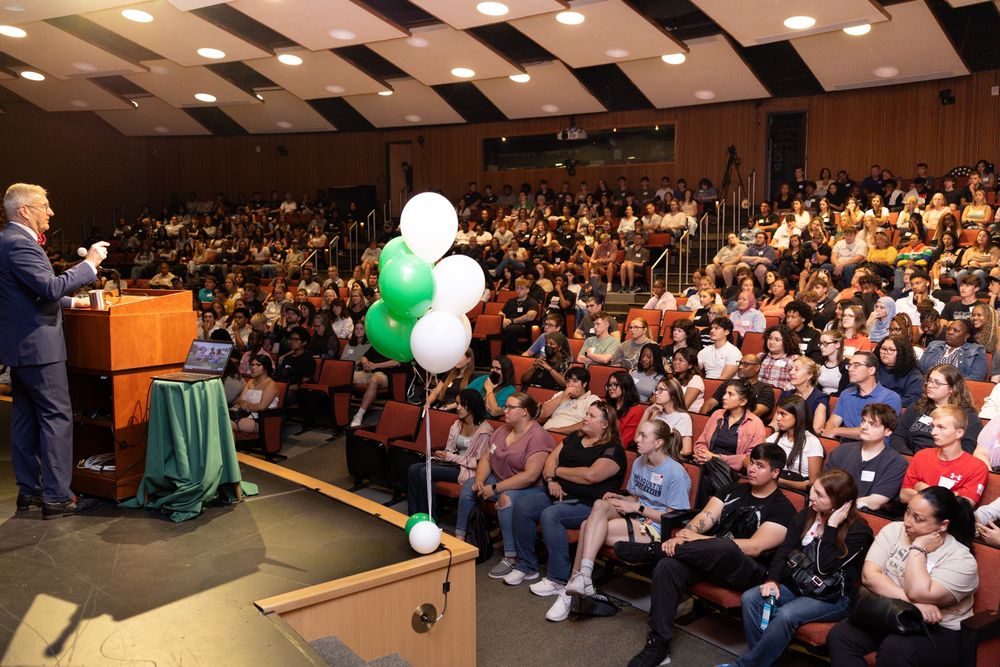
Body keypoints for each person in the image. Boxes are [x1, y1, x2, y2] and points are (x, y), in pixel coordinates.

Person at [626, 444, 795, 667]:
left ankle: (655, 550)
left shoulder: (783, 509)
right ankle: (658, 643)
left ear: (775, 473)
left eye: (760, 466)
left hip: (747, 571)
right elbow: (706, 517)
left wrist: (697, 540)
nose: (752, 469)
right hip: (709, 558)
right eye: (752, 463)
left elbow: (754, 547)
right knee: (668, 566)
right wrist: (684, 535)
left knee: (726, 546)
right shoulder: (733, 489)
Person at [0, 184, 110, 517]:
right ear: (24, 211)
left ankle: (30, 492)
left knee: (25, 419)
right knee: (56, 418)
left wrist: (71, 302)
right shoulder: (20, 243)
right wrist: (89, 265)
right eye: (44, 206)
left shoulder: (7, 240)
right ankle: (58, 497)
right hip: (39, 348)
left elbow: (27, 293)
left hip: (21, 348)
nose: (51, 212)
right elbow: (47, 287)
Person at [827, 486, 979, 667]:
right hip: (894, 612)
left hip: (940, 629)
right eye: (908, 512)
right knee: (841, 636)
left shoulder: (961, 559)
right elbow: (870, 576)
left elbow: (918, 593)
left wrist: (918, 548)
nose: (907, 522)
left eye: (918, 519)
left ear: (943, 525)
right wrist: (912, 605)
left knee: (895, 650)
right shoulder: (894, 530)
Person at [735, 469, 873, 667]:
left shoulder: (859, 532)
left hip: (832, 596)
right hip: (798, 584)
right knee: (751, 598)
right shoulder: (807, 516)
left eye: (819, 495)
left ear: (839, 502)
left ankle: (746, 665)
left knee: (786, 615)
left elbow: (824, 567)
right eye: (813, 490)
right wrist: (773, 580)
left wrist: (831, 526)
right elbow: (784, 551)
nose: (812, 497)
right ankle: (763, 663)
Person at [508, 402, 627, 620]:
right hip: (558, 492)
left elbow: (591, 476)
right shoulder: (574, 437)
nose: (585, 418)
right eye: (586, 413)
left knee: (551, 515)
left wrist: (558, 471)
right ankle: (527, 566)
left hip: (589, 503)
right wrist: (551, 479)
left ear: (604, 424)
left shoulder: (613, 449)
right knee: (524, 505)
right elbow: (550, 459)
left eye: (592, 416)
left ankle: (558, 578)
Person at [561, 420, 691, 606]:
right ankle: (583, 579)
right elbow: (635, 498)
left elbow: (671, 519)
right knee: (600, 504)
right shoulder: (639, 462)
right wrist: (621, 499)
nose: (637, 439)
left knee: (586, 526)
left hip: (655, 529)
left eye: (643, 436)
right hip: (635, 517)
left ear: (658, 443)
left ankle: (575, 583)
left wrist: (637, 508)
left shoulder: (676, 472)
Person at [457, 393, 555, 579]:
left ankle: (511, 556)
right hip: (501, 478)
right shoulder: (503, 430)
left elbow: (530, 476)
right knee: (470, 485)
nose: (505, 410)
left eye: (510, 407)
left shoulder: (538, 437)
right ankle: (460, 539)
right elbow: (487, 457)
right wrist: (480, 479)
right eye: (506, 406)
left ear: (524, 412)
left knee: (506, 499)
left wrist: (494, 488)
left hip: (530, 489)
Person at [406, 388, 494, 518]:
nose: (457, 408)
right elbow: (450, 450)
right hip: (453, 464)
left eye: (462, 405)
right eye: (457, 404)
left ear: (472, 406)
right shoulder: (457, 424)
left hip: (468, 470)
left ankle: (429, 518)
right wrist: (443, 454)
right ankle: (414, 515)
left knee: (425, 472)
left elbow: (478, 462)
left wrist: (451, 457)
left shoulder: (485, 431)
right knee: (413, 469)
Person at [899, 405, 989, 505]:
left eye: (941, 427)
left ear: (959, 433)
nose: (933, 432)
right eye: (933, 426)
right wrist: (951, 495)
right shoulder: (921, 456)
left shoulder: (977, 467)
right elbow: (904, 495)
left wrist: (924, 489)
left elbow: (964, 506)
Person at [826, 404, 907, 511]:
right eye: (863, 421)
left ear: (887, 431)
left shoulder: (896, 463)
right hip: (829, 508)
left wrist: (839, 508)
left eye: (872, 424)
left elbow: (876, 500)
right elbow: (824, 484)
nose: (864, 427)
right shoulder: (841, 450)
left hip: (863, 515)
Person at [823, 352, 902, 444]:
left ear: (871, 370)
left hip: (874, 448)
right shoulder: (846, 394)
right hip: (845, 446)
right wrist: (829, 433)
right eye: (849, 365)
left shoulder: (890, 397)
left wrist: (836, 431)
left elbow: (872, 431)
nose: (850, 369)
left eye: (856, 365)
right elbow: (832, 422)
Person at [694, 378, 767, 472]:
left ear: (743, 401)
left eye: (730, 394)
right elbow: (701, 442)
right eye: (725, 393)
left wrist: (716, 458)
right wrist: (702, 455)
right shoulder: (717, 414)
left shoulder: (755, 423)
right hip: (706, 465)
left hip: (730, 472)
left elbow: (751, 459)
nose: (724, 397)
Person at [765, 396, 823, 491]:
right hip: (774, 486)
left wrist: (780, 481)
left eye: (783, 414)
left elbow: (812, 484)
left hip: (798, 491)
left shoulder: (812, 442)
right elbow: (754, 457)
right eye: (778, 413)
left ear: (798, 416)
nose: (778, 418)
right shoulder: (776, 437)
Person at [702, 353, 776, 419]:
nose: (740, 367)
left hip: (742, 426)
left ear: (757, 368)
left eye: (745, 364)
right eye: (740, 363)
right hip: (717, 420)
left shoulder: (765, 390)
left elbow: (755, 413)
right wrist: (703, 420)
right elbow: (709, 404)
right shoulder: (728, 383)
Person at [637, 378, 694, 455]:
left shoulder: (683, 417)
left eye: (661, 389)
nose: (656, 393)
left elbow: (686, 451)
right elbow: (637, 438)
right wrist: (647, 412)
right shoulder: (657, 413)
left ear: (673, 394)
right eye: (656, 389)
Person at [920, 319, 988, 381]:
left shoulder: (976, 350)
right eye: (949, 329)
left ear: (966, 336)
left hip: (957, 388)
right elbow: (919, 370)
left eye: (956, 331)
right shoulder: (933, 345)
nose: (950, 332)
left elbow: (977, 378)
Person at [230, 354, 280, 434]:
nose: (253, 367)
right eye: (252, 365)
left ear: (266, 368)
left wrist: (245, 405)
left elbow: (262, 407)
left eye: (258, 365)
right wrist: (242, 403)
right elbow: (240, 399)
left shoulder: (271, 384)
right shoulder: (250, 382)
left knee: (226, 423)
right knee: (222, 420)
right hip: (246, 415)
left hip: (262, 420)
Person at [873, 334, 924, 405]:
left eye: (891, 350)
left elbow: (912, 400)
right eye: (883, 349)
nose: (885, 353)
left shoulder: (914, 376)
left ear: (901, 353)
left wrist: (883, 403)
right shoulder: (873, 368)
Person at [605, 371, 646, 446]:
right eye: (609, 385)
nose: (610, 388)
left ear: (626, 386)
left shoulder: (637, 410)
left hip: (615, 448)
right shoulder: (607, 406)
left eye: (615, 384)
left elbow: (624, 442)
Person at [758, 325, 799, 391]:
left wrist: (780, 391)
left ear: (786, 342)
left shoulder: (793, 360)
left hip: (782, 394)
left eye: (777, 340)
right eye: (770, 338)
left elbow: (796, 383)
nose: (771, 342)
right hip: (759, 393)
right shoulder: (760, 357)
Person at [670, 346, 705, 412]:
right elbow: (655, 398)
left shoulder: (696, 379)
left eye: (681, 360)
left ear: (690, 365)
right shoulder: (673, 378)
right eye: (674, 359)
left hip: (688, 414)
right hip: (672, 412)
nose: (676, 362)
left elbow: (684, 406)